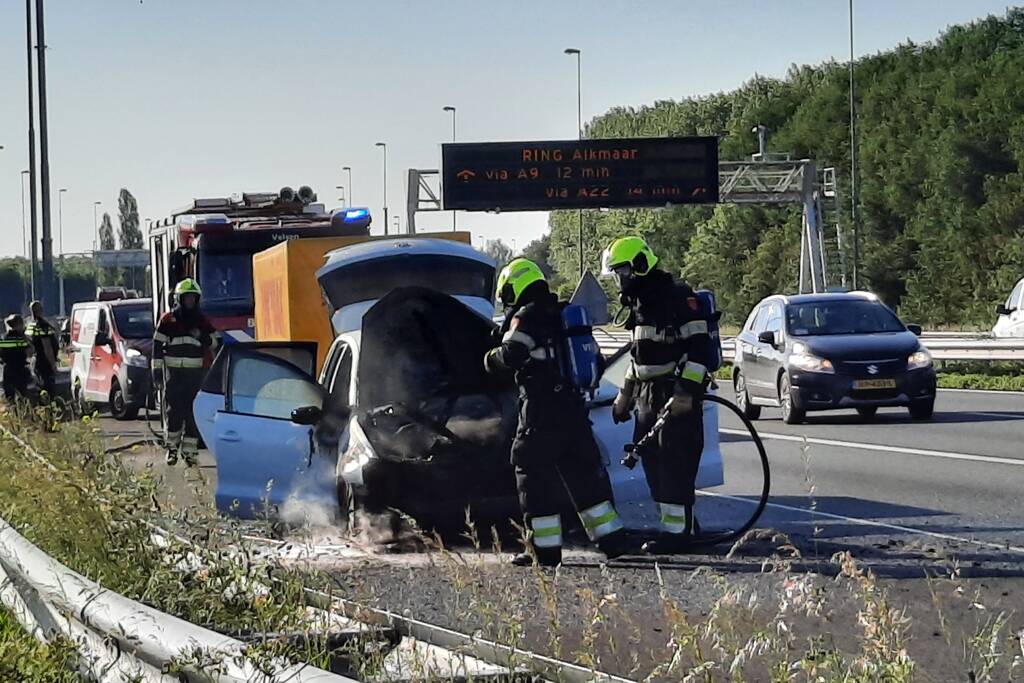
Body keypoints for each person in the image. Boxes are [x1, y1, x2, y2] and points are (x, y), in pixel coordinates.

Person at [485, 257, 628, 567]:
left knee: (532, 475)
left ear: (515, 288)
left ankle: (544, 551)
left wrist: (488, 359)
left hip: (541, 410)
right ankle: (612, 540)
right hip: (574, 409)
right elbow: (597, 362)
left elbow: (511, 355)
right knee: (584, 476)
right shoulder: (567, 315)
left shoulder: (526, 317)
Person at [602, 236, 711, 555]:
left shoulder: (678, 297)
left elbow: (700, 350)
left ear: (637, 266)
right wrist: (625, 395)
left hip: (674, 394)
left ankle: (677, 537)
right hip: (648, 398)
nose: (619, 281)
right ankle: (679, 528)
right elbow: (638, 360)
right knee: (653, 463)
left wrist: (686, 392)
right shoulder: (639, 305)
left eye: (621, 273)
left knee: (674, 466)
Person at [153, 279, 217, 466]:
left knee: (192, 414)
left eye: (192, 298)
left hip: (195, 375)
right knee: (173, 412)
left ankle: (190, 452)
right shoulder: (167, 320)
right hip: (173, 375)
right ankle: (172, 449)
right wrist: (156, 372)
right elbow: (157, 347)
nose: (189, 301)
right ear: (179, 299)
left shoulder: (202, 321)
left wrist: (202, 337)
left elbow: (216, 342)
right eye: (186, 298)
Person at [26, 301, 59, 397]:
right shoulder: (42, 325)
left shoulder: (30, 325)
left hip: (35, 361)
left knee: (40, 387)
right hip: (45, 362)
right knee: (49, 390)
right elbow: (47, 347)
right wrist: (53, 365)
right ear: (41, 310)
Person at [0, 314, 35, 402]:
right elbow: (30, 353)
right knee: (22, 397)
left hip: (7, 371)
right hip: (20, 371)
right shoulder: (21, 339)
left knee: (10, 398)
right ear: (19, 325)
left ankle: (13, 413)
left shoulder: (4, 338)